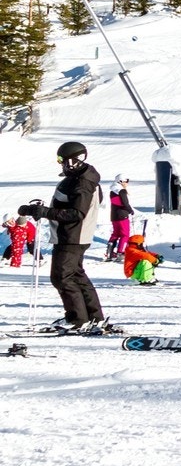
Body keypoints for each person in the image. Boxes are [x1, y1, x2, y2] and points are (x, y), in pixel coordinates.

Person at [17, 141, 114, 334]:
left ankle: (78, 319)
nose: (60, 163)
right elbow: (67, 206)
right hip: (73, 235)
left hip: (72, 236)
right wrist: (40, 210)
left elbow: (76, 213)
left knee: (62, 277)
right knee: (76, 275)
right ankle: (93, 317)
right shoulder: (80, 178)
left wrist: (45, 212)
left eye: (61, 160)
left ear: (73, 160)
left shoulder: (83, 182)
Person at [106, 174, 134, 262]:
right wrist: (130, 211)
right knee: (124, 235)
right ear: (121, 181)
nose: (127, 183)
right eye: (126, 181)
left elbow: (116, 202)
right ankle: (120, 252)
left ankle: (109, 253)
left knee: (115, 234)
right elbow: (125, 203)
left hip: (114, 216)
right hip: (123, 215)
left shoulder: (113, 190)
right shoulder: (121, 191)